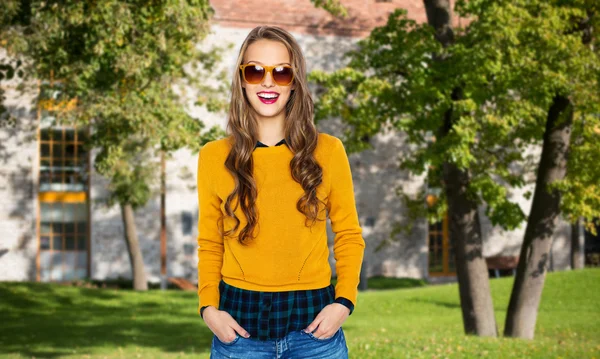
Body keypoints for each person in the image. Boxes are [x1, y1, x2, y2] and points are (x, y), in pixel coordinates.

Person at [196, 25, 366, 359]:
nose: (268, 82)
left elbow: (348, 234)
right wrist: (208, 309)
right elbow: (209, 242)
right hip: (238, 331)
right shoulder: (214, 156)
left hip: (315, 331)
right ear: (242, 80)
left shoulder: (329, 151)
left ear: (295, 81)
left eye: (282, 72)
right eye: (256, 71)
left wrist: (344, 302)